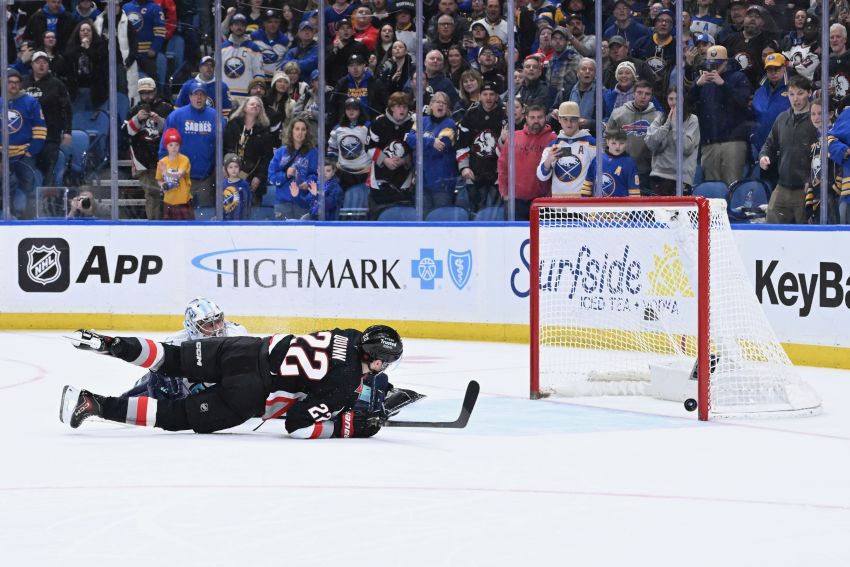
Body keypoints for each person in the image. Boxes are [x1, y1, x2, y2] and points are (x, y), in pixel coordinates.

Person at [60, 325, 404, 439]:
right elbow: (297, 424)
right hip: (249, 392)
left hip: (244, 348)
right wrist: (345, 427)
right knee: (175, 415)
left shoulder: (350, 334)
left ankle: (111, 344)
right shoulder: (346, 385)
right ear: (376, 359)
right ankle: (93, 404)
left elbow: (324, 359)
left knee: (171, 357)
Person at [119, 298, 248, 400]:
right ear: (192, 327)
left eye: (218, 321)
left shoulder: (235, 333)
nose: (217, 329)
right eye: (209, 324)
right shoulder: (175, 342)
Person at [687, 45, 752, 187]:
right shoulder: (703, 80)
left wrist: (723, 84)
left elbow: (744, 104)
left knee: (732, 184)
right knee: (712, 186)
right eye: (710, 64)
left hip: (733, 141)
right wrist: (697, 86)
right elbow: (687, 104)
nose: (714, 68)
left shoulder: (738, 77)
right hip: (710, 141)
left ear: (726, 62)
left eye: (718, 64)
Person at [760, 76, 818, 224]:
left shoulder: (816, 119)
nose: (795, 99)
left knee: (806, 232)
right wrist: (764, 156)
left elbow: (822, 155)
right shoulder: (782, 118)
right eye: (791, 94)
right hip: (782, 186)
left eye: (800, 93)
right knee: (771, 227)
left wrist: (811, 182)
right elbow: (769, 144)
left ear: (809, 93)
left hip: (806, 189)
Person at [160, 81, 223, 208]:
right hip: (180, 178)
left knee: (205, 214)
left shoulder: (215, 117)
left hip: (205, 179)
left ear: (206, 97)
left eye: (202, 94)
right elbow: (164, 145)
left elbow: (222, 145)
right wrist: (164, 169)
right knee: (181, 214)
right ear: (189, 96)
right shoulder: (176, 116)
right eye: (195, 94)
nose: (199, 98)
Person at [123, 77, 173, 220]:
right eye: (143, 93)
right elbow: (125, 134)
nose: (147, 96)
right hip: (143, 160)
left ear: (155, 91)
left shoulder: (166, 108)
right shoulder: (133, 111)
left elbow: (174, 133)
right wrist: (137, 120)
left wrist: (160, 121)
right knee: (152, 195)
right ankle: (154, 224)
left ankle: (170, 223)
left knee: (171, 193)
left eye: (149, 92)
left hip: (165, 159)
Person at [0, 68, 46, 220]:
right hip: (2, 156)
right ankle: (6, 215)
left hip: (24, 154)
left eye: (16, 82)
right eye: (10, 82)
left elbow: (40, 130)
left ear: (20, 84)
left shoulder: (30, 102)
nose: (13, 85)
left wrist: (31, 152)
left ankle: (27, 219)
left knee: (28, 184)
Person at [497, 103, 556, 220]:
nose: (536, 121)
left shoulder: (553, 139)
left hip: (541, 201)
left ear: (545, 118)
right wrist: (504, 192)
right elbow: (503, 166)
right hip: (515, 201)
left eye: (540, 117)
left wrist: (550, 195)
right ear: (526, 118)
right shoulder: (514, 137)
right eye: (532, 117)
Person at [404, 91, 459, 213]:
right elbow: (409, 139)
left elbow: (439, 149)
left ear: (447, 108)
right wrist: (431, 141)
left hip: (442, 183)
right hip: (422, 181)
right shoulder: (421, 121)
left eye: (444, 103)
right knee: (422, 218)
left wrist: (420, 143)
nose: (441, 105)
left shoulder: (450, 124)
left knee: (440, 217)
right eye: (437, 102)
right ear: (431, 105)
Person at [22, 50, 71, 186]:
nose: (41, 65)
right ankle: (29, 198)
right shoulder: (23, 83)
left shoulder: (57, 84)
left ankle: (48, 197)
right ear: (32, 65)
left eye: (44, 62)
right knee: (27, 174)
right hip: (27, 138)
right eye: (38, 62)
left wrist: (67, 131)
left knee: (49, 174)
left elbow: (67, 109)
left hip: (50, 137)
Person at [456, 81, 505, 212]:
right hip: (474, 172)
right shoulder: (470, 114)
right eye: (485, 94)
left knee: (495, 213)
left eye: (492, 94)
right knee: (475, 212)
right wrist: (464, 167)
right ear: (479, 96)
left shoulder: (504, 114)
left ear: (496, 96)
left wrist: (504, 170)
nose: (488, 98)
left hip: (498, 173)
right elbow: (462, 144)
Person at [644, 86, 701, 196]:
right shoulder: (660, 118)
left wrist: (675, 125)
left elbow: (687, 148)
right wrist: (666, 126)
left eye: (677, 99)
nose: (674, 102)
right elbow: (650, 144)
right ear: (667, 100)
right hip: (659, 175)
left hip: (681, 178)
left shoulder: (692, 120)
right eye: (671, 99)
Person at [606, 79, 660, 192]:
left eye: (647, 94)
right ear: (633, 94)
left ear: (651, 96)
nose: (643, 97)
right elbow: (606, 137)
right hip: (620, 168)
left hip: (647, 171)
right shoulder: (618, 113)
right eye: (639, 92)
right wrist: (608, 161)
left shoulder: (658, 117)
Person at [367, 91, 414, 218]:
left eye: (405, 107)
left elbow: (417, 150)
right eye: (398, 106)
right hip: (379, 181)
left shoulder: (413, 124)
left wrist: (404, 160)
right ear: (392, 107)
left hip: (404, 182)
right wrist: (385, 160)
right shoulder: (378, 123)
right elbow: (369, 147)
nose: (402, 110)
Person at [537, 101, 597, 197]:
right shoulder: (553, 146)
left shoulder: (591, 143)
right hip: (559, 203)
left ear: (579, 120)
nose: (569, 123)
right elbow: (542, 176)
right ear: (559, 119)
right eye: (565, 119)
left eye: (573, 119)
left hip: (583, 203)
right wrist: (548, 161)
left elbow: (601, 173)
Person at [223, 95, 273, 206]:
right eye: (252, 104)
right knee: (230, 210)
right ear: (244, 107)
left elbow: (267, 157)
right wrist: (223, 166)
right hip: (229, 176)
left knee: (250, 212)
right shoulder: (233, 125)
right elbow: (223, 148)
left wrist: (259, 177)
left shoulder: (264, 130)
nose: (255, 106)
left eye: (258, 105)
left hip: (252, 179)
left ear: (260, 110)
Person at [268, 117, 318, 220]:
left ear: (307, 132)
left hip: (303, 202)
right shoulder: (280, 152)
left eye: (303, 129)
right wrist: (286, 175)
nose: (300, 132)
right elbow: (271, 177)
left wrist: (309, 183)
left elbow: (318, 176)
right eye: (297, 129)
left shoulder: (313, 153)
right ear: (291, 131)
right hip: (283, 203)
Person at [328, 96, 371, 190]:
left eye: (355, 108)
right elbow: (332, 150)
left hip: (364, 174)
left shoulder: (368, 126)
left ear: (360, 110)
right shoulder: (338, 128)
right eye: (348, 109)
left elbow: (373, 148)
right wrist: (334, 166)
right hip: (343, 175)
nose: (351, 111)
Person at [582, 128, 640, 197]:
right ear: (607, 142)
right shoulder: (597, 159)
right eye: (613, 143)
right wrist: (584, 201)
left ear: (626, 143)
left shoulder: (629, 163)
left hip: (620, 203)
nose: (617, 146)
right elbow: (588, 184)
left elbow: (634, 192)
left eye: (621, 143)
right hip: (598, 203)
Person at [751, 52, 790, 156]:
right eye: (769, 69)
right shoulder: (760, 91)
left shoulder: (794, 88)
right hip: (760, 145)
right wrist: (753, 135)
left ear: (784, 68)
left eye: (776, 69)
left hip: (786, 146)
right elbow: (753, 116)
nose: (773, 73)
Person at [156, 127, 192, 220]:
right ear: (166, 146)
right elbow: (159, 180)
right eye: (171, 145)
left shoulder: (184, 160)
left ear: (180, 146)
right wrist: (162, 184)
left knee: (186, 226)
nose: (174, 147)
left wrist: (166, 173)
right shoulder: (162, 162)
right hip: (168, 201)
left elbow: (179, 174)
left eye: (176, 144)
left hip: (183, 201)